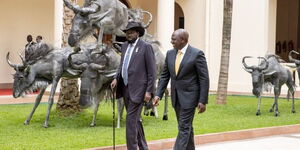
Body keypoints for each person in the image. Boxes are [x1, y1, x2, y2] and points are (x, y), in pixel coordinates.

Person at [153, 29, 210, 150]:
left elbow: (204, 78)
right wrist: (158, 94)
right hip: (176, 97)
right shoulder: (170, 54)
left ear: (183, 40)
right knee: (186, 126)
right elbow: (164, 76)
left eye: (174, 39)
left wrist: (203, 100)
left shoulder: (197, 54)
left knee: (184, 127)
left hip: (190, 97)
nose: (171, 41)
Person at [111, 21, 156, 150]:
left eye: (131, 32)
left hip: (139, 90)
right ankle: (143, 147)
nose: (128, 35)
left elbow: (152, 71)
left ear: (137, 33)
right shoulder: (125, 46)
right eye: (127, 33)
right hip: (125, 89)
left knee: (130, 120)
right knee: (136, 120)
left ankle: (132, 147)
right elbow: (122, 64)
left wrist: (149, 91)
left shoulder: (146, 47)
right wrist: (116, 78)